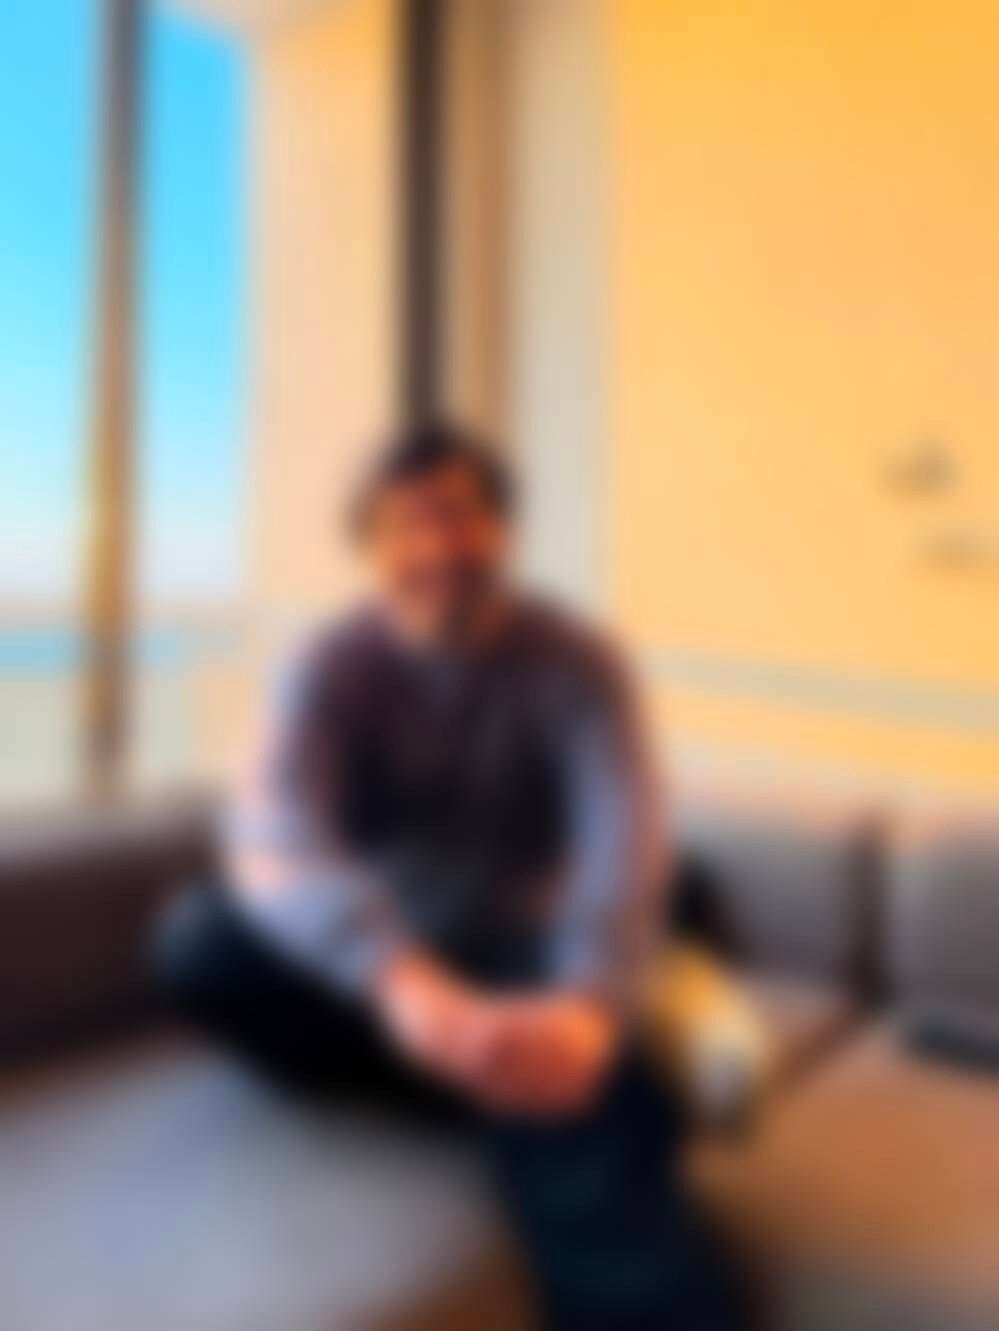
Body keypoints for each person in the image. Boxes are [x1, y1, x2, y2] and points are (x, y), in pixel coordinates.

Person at [154, 420, 740, 1330]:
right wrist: (401, 982)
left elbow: (624, 835)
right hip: (398, 951)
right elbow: (274, 828)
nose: (436, 547)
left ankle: (554, 1069)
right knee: (198, 942)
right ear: (369, 547)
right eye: (403, 523)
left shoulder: (577, 661)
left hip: (531, 945)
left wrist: (589, 1004)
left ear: (502, 529)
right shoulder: (329, 664)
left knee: (644, 956)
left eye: (459, 515)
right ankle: (510, 1073)